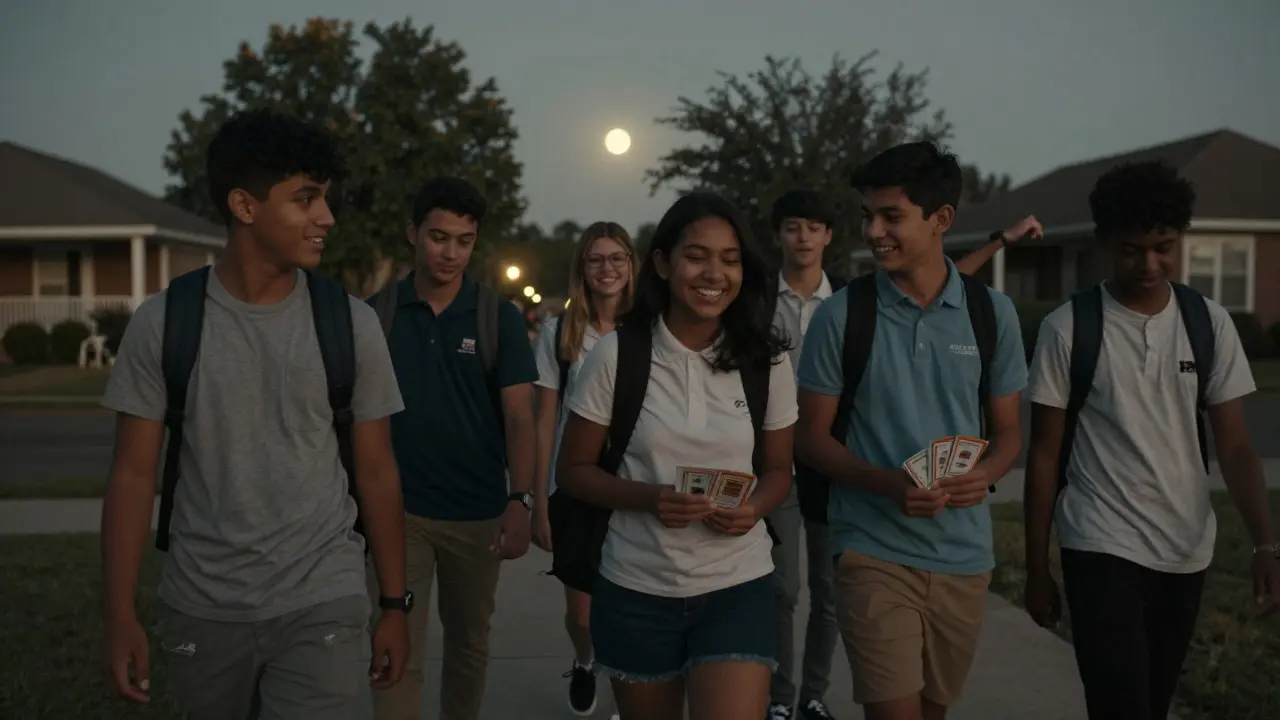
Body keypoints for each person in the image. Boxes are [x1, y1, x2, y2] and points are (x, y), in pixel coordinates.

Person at [99, 109, 410, 719]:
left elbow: (376, 472)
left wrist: (395, 605)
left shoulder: (352, 325)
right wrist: (118, 614)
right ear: (244, 206)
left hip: (324, 593)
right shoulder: (164, 325)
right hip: (203, 603)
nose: (327, 217)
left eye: (325, 198)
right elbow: (133, 476)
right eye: (306, 200)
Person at [1022, 160, 1280, 720]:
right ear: (1104, 244)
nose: (1149, 263)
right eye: (1132, 249)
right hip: (1100, 543)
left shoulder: (1208, 323)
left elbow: (1235, 446)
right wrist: (1037, 566)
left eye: (1163, 247)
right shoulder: (1068, 329)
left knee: (1152, 705)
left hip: (1186, 548)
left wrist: (1265, 543)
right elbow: (1043, 454)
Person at [795, 141, 1027, 720]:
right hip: (871, 549)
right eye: (868, 215)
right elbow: (810, 439)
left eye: (891, 216)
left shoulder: (991, 314)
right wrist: (888, 485)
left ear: (941, 219)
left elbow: (1008, 435)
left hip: (964, 556)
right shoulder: (842, 315)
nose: (873, 231)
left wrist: (986, 476)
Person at [556, 192, 799, 720]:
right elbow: (572, 471)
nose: (714, 273)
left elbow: (779, 470)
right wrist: (651, 498)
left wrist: (755, 508)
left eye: (730, 259)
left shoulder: (767, 361)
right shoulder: (616, 354)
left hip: (738, 584)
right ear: (663, 264)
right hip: (636, 590)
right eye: (696, 255)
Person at [366, 175, 538, 720]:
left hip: (476, 512)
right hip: (400, 512)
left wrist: (521, 500)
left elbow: (519, 416)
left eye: (464, 240)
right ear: (414, 232)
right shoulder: (376, 314)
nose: (451, 252)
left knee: (468, 646)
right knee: (396, 647)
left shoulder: (496, 317)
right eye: (439, 237)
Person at [531, 221, 637, 716]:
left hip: (631, 483)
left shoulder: (647, 331)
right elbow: (544, 421)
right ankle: (584, 661)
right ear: (582, 268)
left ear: (632, 266)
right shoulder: (560, 334)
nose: (607, 268)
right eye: (596, 259)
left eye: (617, 258)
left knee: (627, 606)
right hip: (572, 486)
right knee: (582, 612)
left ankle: (624, 700)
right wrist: (535, 501)